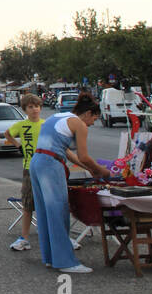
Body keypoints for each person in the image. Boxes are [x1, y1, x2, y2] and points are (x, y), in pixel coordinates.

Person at [28, 92, 110, 274]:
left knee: (44, 212)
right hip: (50, 165)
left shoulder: (59, 116)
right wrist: (100, 170)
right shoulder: (79, 125)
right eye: (94, 119)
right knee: (58, 211)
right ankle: (65, 261)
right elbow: (84, 156)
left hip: (38, 162)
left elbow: (66, 152)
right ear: (88, 113)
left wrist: (87, 168)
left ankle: (50, 257)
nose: (92, 123)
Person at [3, 93, 45, 251]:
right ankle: (24, 237)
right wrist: (17, 145)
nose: (35, 110)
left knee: (49, 203)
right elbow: (7, 134)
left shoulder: (46, 124)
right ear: (25, 109)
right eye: (31, 107)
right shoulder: (21, 125)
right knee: (28, 204)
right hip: (29, 167)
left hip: (45, 167)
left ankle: (54, 235)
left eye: (37, 106)